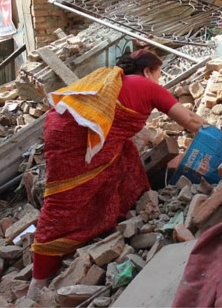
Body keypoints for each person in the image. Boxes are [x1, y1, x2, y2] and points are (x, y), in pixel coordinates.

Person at [27, 49, 204, 300]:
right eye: (158, 74)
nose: (159, 81)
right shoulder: (147, 86)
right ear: (147, 71)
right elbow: (190, 120)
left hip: (61, 125)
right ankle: (39, 280)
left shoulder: (114, 82)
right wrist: (217, 137)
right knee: (63, 201)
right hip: (75, 134)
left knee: (125, 160)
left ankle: (118, 218)